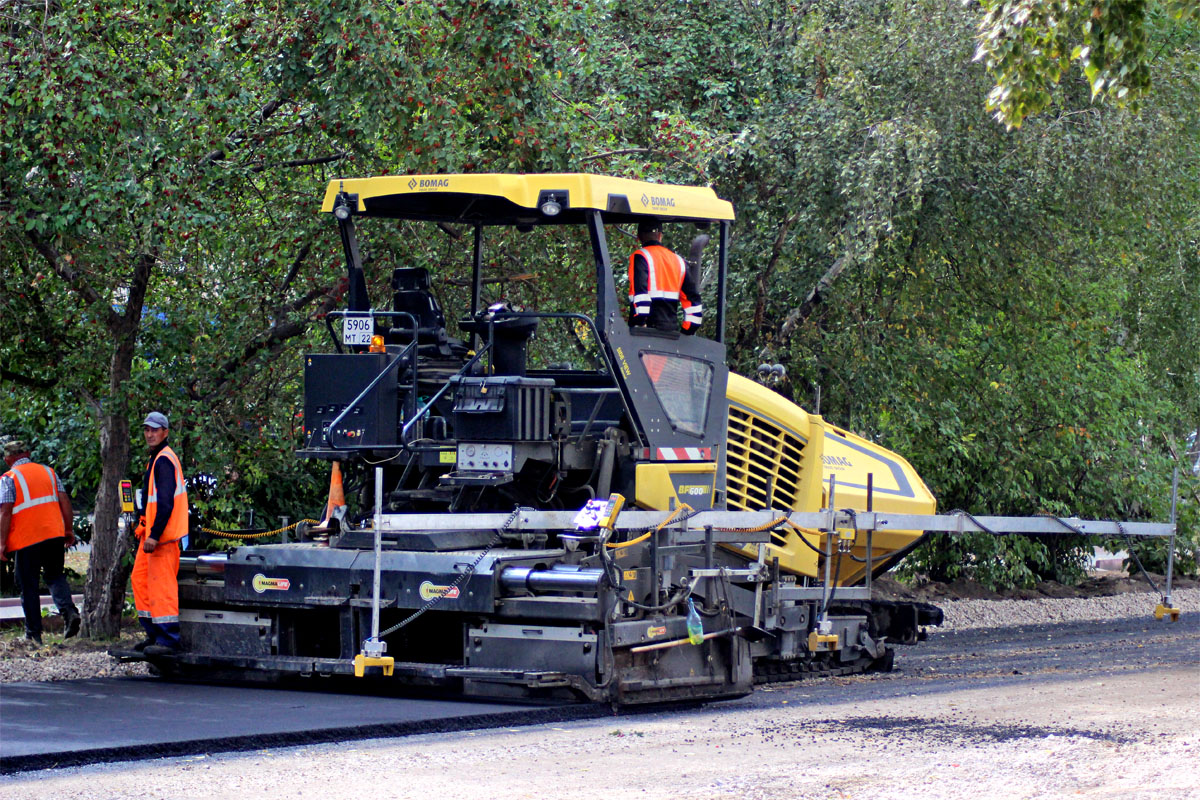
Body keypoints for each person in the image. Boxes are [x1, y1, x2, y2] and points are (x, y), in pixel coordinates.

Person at [0, 438, 81, 646]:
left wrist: (1, 543)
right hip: (54, 534)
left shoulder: (9, 478)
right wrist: (68, 530)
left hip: (27, 539)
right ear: (27, 454)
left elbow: (5, 512)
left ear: (9, 458)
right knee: (55, 576)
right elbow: (64, 501)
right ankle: (69, 612)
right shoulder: (48, 472)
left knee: (28, 585)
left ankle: (33, 634)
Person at [132, 412, 189, 656]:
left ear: (165, 432)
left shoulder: (164, 460)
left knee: (161, 588)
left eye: (155, 430)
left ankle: (168, 639)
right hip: (153, 538)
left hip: (162, 540)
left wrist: (154, 535)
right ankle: (154, 633)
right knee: (140, 581)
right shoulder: (157, 459)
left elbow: (165, 503)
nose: (150, 434)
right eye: (147, 429)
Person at [628, 219, 703, 334]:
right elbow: (693, 301)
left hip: (646, 333)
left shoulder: (640, 256)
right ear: (660, 236)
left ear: (639, 236)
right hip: (671, 332)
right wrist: (686, 333)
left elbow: (640, 295)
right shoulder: (678, 261)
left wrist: (639, 325)